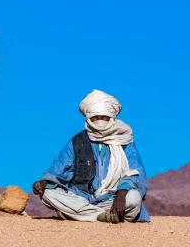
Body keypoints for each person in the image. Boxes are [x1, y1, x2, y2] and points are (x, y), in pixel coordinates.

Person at [32, 89, 149, 223]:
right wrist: (44, 182)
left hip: (114, 200)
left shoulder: (125, 140)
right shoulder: (77, 142)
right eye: (95, 118)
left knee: (133, 198)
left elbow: (136, 172)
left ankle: (80, 215)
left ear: (112, 118)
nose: (99, 121)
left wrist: (122, 192)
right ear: (88, 119)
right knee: (48, 193)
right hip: (81, 198)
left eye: (104, 117)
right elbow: (59, 169)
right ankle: (101, 216)